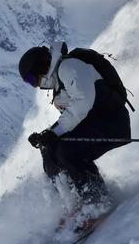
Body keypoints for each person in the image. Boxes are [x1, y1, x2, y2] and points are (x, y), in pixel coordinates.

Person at [19, 40, 131, 208]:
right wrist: (47, 135)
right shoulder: (58, 81)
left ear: (41, 67)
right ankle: (71, 201)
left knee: (68, 151)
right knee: (48, 149)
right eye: (29, 82)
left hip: (112, 121)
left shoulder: (70, 67)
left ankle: (96, 200)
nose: (34, 84)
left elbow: (81, 103)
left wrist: (54, 133)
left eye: (31, 79)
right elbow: (71, 118)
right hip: (94, 125)